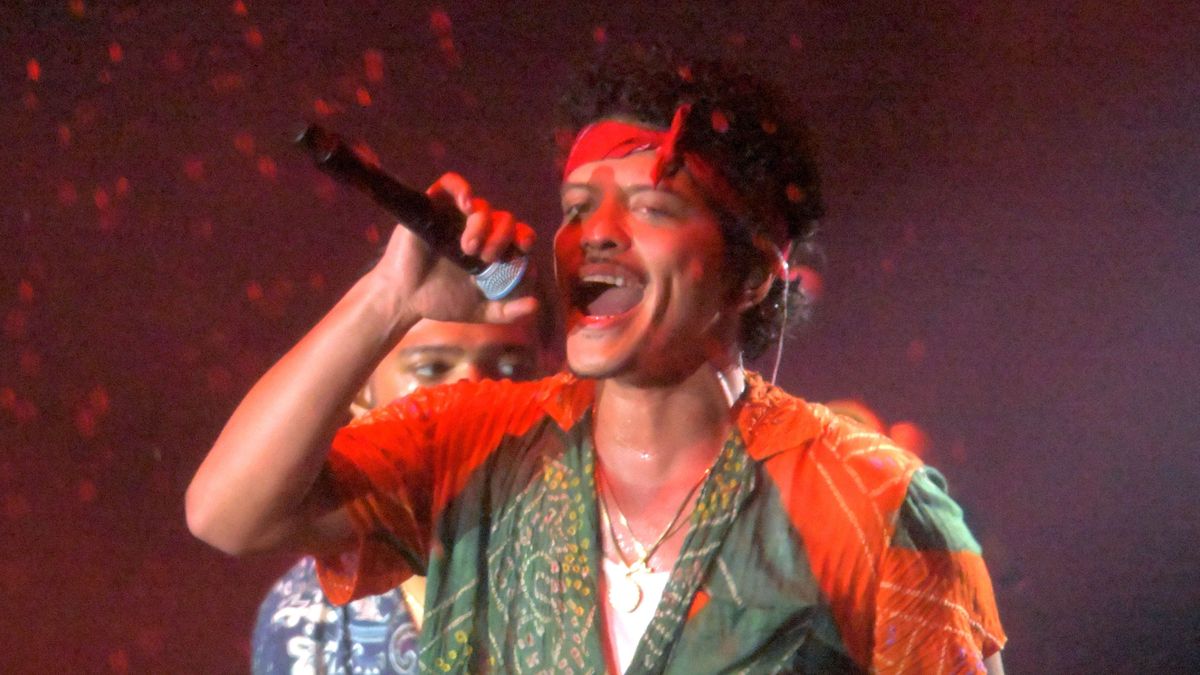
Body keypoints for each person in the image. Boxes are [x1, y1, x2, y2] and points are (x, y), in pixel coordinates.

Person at [188, 48, 1005, 673]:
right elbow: (227, 513)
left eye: (649, 205)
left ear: (753, 274)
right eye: (576, 208)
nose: (595, 233)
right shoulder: (473, 443)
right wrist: (386, 300)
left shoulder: (875, 500)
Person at [250, 315, 549, 674]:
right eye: (432, 368)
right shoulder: (308, 617)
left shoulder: (600, 552)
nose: (471, 394)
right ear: (361, 393)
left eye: (510, 369)